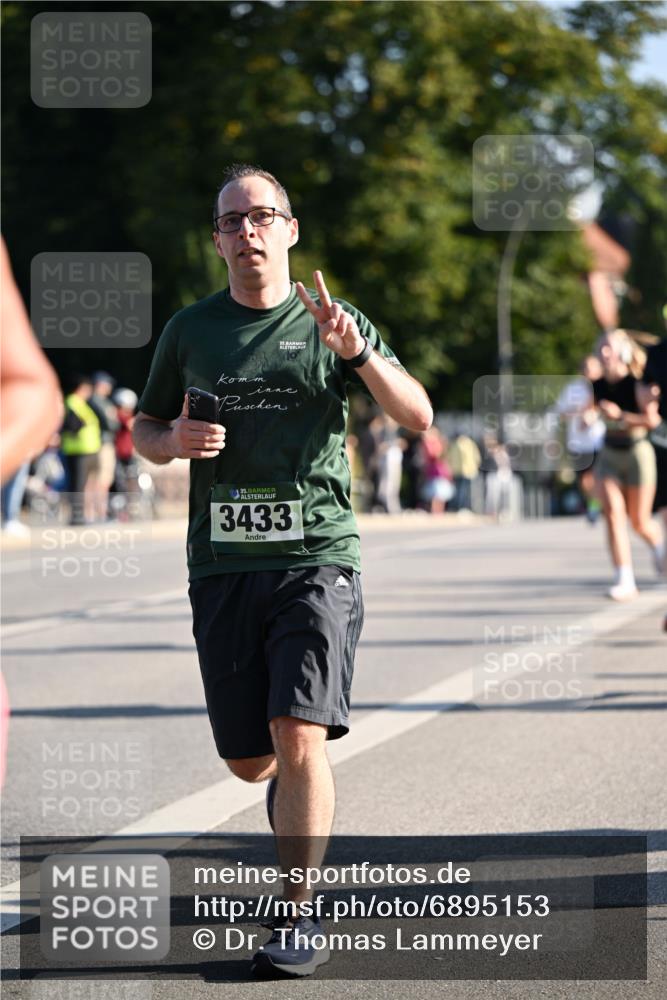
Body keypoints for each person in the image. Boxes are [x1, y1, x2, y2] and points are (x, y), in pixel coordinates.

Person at [132, 164, 432, 978]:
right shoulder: (191, 330)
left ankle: (294, 916)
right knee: (250, 757)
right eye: (232, 220)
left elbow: (417, 414)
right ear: (218, 239)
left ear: (290, 230)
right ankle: (280, 794)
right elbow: (145, 426)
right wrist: (172, 446)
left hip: (316, 557)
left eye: (263, 216)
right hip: (222, 563)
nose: (248, 231)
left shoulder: (332, 321)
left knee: (299, 730)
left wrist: (359, 353)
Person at [592, 328, 664, 601]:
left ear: (622, 351)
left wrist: (620, 415)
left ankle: (659, 548)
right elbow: (585, 412)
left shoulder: (637, 382)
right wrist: (585, 418)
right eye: (602, 347)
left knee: (639, 521)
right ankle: (624, 577)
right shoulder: (596, 385)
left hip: (637, 452)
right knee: (612, 514)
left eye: (610, 347)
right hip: (609, 453)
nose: (605, 353)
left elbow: (652, 421)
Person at [554, 355, 606, 523]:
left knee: (601, 476)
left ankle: (600, 504)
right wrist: (577, 412)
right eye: (586, 368)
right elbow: (560, 412)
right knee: (585, 480)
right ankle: (594, 504)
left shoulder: (606, 387)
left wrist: (595, 415)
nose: (589, 372)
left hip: (600, 441)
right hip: (578, 443)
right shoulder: (573, 389)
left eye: (592, 368)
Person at [60, 374, 102, 525]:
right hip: (78, 451)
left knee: (87, 485)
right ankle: (76, 516)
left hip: (89, 450)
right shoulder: (72, 402)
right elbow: (70, 425)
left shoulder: (81, 404)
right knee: (77, 485)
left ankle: (84, 514)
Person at [88, 371, 119, 520]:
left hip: (94, 444)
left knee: (94, 480)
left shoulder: (89, 400)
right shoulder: (98, 401)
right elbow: (112, 424)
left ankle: (92, 513)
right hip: (103, 444)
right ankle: (100, 513)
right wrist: (114, 417)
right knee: (102, 480)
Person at [448, 432, 482, 513]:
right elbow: (476, 457)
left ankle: (457, 507)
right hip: (468, 471)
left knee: (458, 490)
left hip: (456, 470)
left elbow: (449, 457)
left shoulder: (454, 444)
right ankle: (462, 507)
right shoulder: (469, 444)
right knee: (465, 491)